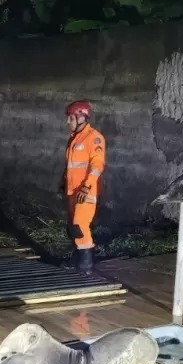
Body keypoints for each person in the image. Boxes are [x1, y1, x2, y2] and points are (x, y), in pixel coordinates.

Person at [60, 100, 106, 275]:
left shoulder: (93, 138)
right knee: (72, 226)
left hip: (86, 192)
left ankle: (86, 265)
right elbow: (71, 166)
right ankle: (77, 258)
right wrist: (63, 181)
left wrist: (86, 187)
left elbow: (97, 166)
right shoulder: (74, 139)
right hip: (73, 190)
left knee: (80, 226)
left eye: (70, 118)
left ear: (81, 118)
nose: (67, 122)